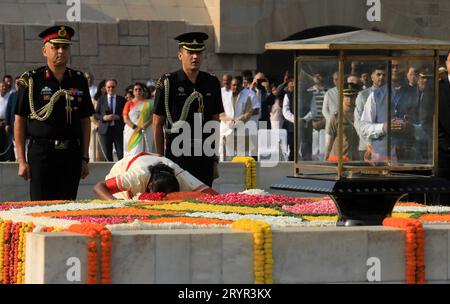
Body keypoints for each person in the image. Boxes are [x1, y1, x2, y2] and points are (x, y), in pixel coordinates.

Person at [14, 25, 94, 200]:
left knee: (67, 206)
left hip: (71, 153)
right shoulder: (31, 80)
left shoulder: (79, 80)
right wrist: (21, 160)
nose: (61, 51)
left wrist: (84, 158)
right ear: (44, 51)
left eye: (65, 47)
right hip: (42, 152)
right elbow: (19, 120)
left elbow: (85, 120)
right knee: (40, 205)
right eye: (55, 47)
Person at [153, 32, 224, 187]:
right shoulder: (168, 82)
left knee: (203, 202)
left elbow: (214, 122)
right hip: (177, 154)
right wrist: (160, 158)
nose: (195, 57)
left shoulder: (211, 82)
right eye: (190, 52)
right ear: (180, 55)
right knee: (177, 201)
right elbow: (158, 123)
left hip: (203, 154)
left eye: (198, 52)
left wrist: (214, 160)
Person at [359, 60, 418, 163]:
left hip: (409, 159)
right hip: (381, 159)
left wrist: (412, 128)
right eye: (392, 66)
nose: (395, 69)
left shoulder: (416, 93)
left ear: (406, 69)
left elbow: (429, 128)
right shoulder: (375, 95)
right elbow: (363, 127)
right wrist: (383, 127)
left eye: (399, 66)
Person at [93, 152, 218, 200]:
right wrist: (116, 205)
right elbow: (99, 187)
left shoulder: (180, 174)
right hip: (120, 171)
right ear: (150, 185)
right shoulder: (138, 176)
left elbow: (209, 193)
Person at [354, 66, 386, 160]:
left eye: (384, 75)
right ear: (372, 77)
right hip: (366, 147)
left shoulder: (389, 94)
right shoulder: (363, 95)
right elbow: (358, 123)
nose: (381, 77)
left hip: (383, 147)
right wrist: (369, 145)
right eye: (378, 74)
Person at [219, 76, 254, 160]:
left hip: (241, 127)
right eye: (233, 85)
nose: (236, 87)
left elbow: (249, 112)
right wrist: (229, 121)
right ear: (230, 86)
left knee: (241, 155)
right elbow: (220, 112)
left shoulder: (246, 96)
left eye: (237, 85)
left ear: (241, 86)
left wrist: (238, 121)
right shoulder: (224, 96)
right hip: (226, 129)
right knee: (225, 155)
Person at [324, 83, 360, 162]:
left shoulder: (360, 115)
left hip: (356, 159)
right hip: (339, 159)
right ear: (342, 97)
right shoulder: (336, 117)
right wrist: (326, 156)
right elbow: (329, 140)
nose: (349, 99)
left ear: (356, 97)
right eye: (347, 96)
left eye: (352, 96)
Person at [93, 79, 125, 161]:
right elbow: (95, 114)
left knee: (121, 153)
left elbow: (126, 115)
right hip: (105, 130)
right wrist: (103, 117)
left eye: (113, 87)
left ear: (116, 87)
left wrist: (118, 117)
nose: (111, 89)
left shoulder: (121, 99)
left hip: (118, 129)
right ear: (105, 88)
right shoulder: (101, 99)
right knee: (107, 155)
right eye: (109, 87)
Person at [123, 82, 155, 157]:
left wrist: (143, 126)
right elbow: (125, 118)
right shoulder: (129, 103)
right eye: (136, 89)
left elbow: (152, 117)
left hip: (146, 130)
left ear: (143, 91)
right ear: (133, 92)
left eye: (140, 89)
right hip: (132, 131)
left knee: (146, 152)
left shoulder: (150, 103)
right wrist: (135, 127)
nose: (138, 91)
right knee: (132, 153)